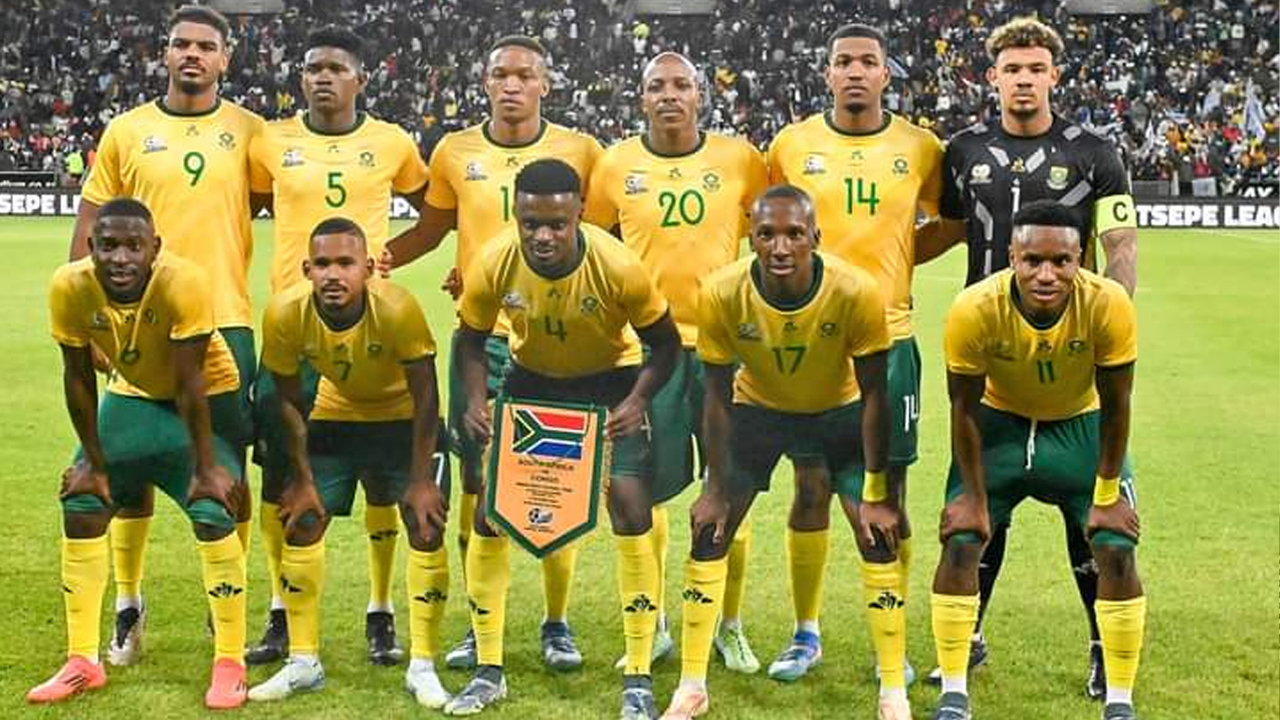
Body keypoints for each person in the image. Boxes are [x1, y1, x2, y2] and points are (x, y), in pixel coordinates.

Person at [916, 17, 1139, 697]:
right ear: (993, 77)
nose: (1024, 80)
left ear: (1053, 76)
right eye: (1012, 69)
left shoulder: (1095, 153)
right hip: (988, 349)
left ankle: (1102, 646)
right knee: (982, 504)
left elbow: (1121, 242)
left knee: (1088, 513)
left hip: (1069, 349)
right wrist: (874, 264)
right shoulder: (963, 150)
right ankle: (967, 637)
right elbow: (948, 230)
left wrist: (1113, 317)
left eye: (1036, 69)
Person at [383, 34, 603, 672]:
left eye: (524, 75)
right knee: (476, 485)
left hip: (559, 341)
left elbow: (601, 234)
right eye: (500, 74)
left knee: (558, 483)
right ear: (484, 83)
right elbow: (434, 229)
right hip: (482, 342)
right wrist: (376, 260)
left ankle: (556, 622)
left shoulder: (581, 151)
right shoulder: (454, 151)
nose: (511, 85)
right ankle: (481, 622)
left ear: (545, 85)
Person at [661, 185, 906, 720]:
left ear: (815, 236)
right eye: (767, 234)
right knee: (710, 531)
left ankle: (893, 691)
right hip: (759, 411)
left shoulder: (855, 290)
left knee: (875, 534)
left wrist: (877, 491)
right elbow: (716, 397)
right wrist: (715, 488)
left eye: (794, 234)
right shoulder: (721, 292)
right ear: (750, 237)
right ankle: (692, 686)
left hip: (838, 412)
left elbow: (875, 396)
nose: (780, 247)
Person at [449, 159, 681, 718]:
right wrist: (476, 399)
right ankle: (488, 669)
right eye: (531, 223)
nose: (543, 236)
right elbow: (469, 340)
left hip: (610, 383)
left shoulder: (617, 265)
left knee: (631, 510)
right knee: (490, 513)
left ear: (579, 212)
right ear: (516, 214)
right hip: (533, 384)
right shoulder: (495, 260)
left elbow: (667, 344)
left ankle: (639, 675)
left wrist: (637, 401)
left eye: (557, 223)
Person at [69, 4, 262, 667]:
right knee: (131, 463)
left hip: (225, 321)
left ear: (226, 57)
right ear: (165, 53)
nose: (192, 55)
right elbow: (90, 220)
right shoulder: (127, 130)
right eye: (181, 44)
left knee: (229, 470)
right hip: (136, 321)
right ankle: (128, 603)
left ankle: (225, 607)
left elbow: (291, 200)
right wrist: (91, 315)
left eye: (206, 46)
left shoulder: (250, 130)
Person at [245, 25, 432, 667]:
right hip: (292, 331)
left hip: (369, 329)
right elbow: (243, 205)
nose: (322, 77)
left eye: (335, 68)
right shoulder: (269, 141)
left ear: (361, 78)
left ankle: (381, 611)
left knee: (381, 481)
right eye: (312, 68)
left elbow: (435, 214)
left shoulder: (392, 142)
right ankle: (280, 608)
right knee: (280, 479)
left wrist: (387, 259)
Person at [763, 22, 943, 689]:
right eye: (845, 61)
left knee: (886, 494)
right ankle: (805, 632)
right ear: (828, 73)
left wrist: (902, 260)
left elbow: (949, 220)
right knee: (810, 485)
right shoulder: (791, 145)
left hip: (890, 340)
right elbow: (769, 230)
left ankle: (889, 641)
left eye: (869, 61)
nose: (856, 71)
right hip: (810, 344)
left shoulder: (921, 147)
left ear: (887, 74)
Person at [584, 50, 768, 674]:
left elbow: (773, 235)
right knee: (646, 490)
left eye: (680, 85)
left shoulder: (740, 159)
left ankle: (727, 625)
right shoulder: (614, 165)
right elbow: (594, 248)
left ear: (699, 95)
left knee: (732, 486)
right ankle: (655, 623)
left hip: (725, 351)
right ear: (641, 97)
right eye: (656, 86)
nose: (669, 94)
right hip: (648, 353)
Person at [926, 200, 1145, 720]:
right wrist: (972, 496)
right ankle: (954, 692)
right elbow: (963, 408)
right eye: (1033, 261)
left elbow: (1117, 404)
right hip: (998, 427)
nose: (1046, 275)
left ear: (1081, 258)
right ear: (1012, 257)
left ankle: (1119, 699)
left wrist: (1108, 493)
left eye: (1062, 262)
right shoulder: (974, 308)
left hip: (1080, 427)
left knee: (1116, 547)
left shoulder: (1109, 304)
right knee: (961, 540)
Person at [30, 198, 250, 709]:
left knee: (213, 505)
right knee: (83, 501)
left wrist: (206, 467)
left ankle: (229, 662)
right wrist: (93, 462)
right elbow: (77, 377)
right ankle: (83, 660)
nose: (121, 258)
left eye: (134, 246)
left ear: (156, 248)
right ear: (91, 247)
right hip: (132, 393)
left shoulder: (184, 281)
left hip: (207, 396)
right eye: (109, 246)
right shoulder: (69, 285)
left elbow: (190, 381)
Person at [248, 218, 450, 707]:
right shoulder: (285, 313)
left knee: (425, 526)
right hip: (336, 417)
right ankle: (304, 662)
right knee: (301, 521)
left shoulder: (398, 309)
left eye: (345, 263)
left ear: (369, 268)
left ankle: (423, 666)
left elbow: (427, 395)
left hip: (404, 421)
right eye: (322, 264)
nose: (333, 274)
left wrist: (422, 479)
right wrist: (301, 478)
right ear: (307, 269)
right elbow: (288, 401)